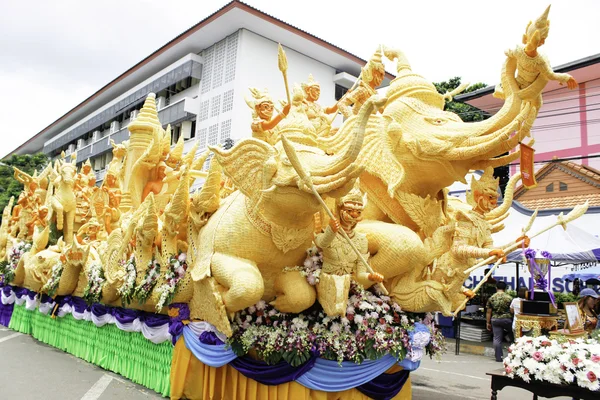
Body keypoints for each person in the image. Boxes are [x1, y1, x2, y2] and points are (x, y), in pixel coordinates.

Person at [486, 281, 514, 362]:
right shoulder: (509, 298)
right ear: (505, 288)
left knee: (497, 338)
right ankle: (513, 356)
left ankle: (499, 357)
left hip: (495, 319)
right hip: (507, 319)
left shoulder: (491, 298)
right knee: (512, 337)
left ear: (496, 288)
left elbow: (488, 311)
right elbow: (512, 310)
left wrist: (488, 322)